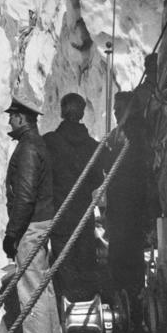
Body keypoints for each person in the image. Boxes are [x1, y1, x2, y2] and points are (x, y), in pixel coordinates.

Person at [1, 96, 62, 333]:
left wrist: (12, 234)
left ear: (21, 119)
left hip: (31, 224)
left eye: (12, 116)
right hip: (42, 221)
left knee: (30, 285)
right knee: (42, 283)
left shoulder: (27, 149)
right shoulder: (38, 144)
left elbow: (24, 197)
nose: (9, 121)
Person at [43, 93, 104, 301]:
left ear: (61, 111)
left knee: (63, 261)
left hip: (59, 213)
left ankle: (66, 310)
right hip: (83, 213)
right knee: (85, 257)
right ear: (82, 113)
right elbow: (97, 180)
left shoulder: (50, 142)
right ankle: (87, 306)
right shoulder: (92, 147)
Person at [103, 91, 156, 314]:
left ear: (130, 109)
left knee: (126, 257)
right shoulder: (121, 134)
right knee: (124, 255)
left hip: (131, 208)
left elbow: (137, 170)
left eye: (118, 108)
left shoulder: (135, 134)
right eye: (114, 108)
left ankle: (130, 305)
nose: (115, 112)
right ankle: (128, 302)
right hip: (123, 208)